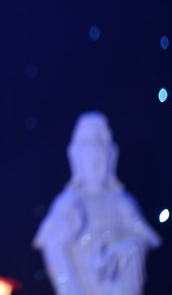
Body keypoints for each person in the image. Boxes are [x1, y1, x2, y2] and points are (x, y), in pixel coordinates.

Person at [33, 111, 161, 295]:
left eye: (101, 157)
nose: (96, 164)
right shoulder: (69, 202)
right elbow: (47, 241)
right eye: (90, 158)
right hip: (78, 285)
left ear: (111, 158)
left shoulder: (121, 201)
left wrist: (118, 253)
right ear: (78, 160)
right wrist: (65, 235)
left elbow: (145, 238)